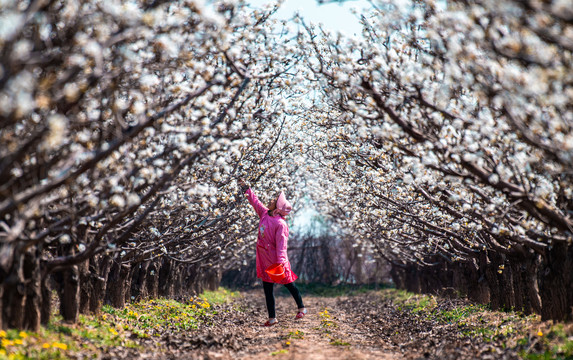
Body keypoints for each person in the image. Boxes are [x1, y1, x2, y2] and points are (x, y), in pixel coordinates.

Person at [238, 178, 306, 327]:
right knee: (267, 289)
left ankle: (301, 308)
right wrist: (246, 188)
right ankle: (272, 318)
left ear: (278, 207)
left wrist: (281, 262)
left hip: (276, 260)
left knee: (288, 283)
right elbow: (255, 202)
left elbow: (282, 245)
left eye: (274, 200)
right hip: (264, 259)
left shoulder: (281, 224)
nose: (270, 200)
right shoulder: (264, 214)